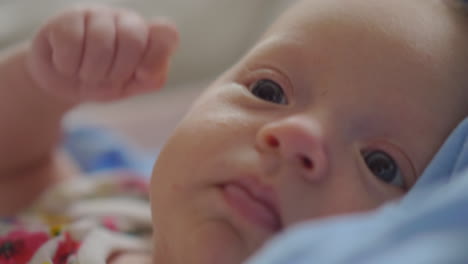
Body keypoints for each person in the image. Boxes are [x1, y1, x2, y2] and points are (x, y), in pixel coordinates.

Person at [0, 0, 467, 263]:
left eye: (380, 164)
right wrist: (47, 82)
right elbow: (15, 165)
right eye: (268, 90)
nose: (297, 135)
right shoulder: (111, 203)